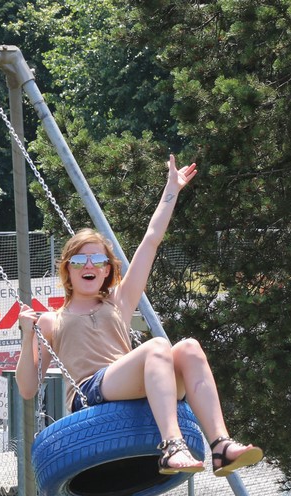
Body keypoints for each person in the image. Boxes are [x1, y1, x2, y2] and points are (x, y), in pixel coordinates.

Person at [15, 155, 262, 477]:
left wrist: (171, 190)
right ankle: (172, 445)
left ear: (107, 270)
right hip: (90, 392)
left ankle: (220, 446)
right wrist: (27, 335)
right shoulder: (52, 320)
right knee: (158, 345)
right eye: (79, 261)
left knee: (189, 347)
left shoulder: (119, 301)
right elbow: (27, 389)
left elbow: (151, 239)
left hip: (133, 381)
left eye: (98, 261)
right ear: (68, 269)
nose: (89, 266)